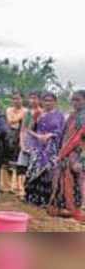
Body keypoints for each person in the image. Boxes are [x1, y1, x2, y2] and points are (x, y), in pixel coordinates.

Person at [48, 90, 85, 221]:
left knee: (78, 182)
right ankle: (66, 207)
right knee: (64, 180)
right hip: (66, 153)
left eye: (78, 100)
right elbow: (65, 135)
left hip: (79, 154)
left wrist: (65, 153)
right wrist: (61, 152)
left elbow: (77, 139)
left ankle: (77, 210)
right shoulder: (72, 116)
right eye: (73, 100)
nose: (75, 103)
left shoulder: (83, 117)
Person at [24, 93, 65, 207]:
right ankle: (32, 198)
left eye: (50, 100)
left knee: (49, 172)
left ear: (55, 102)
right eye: (45, 100)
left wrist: (51, 135)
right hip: (38, 147)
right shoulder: (38, 114)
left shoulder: (60, 116)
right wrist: (38, 136)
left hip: (51, 148)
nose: (48, 103)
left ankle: (46, 200)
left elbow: (62, 132)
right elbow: (29, 129)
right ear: (42, 102)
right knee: (35, 170)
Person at [16, 92, 43, 198]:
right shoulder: (27, 113)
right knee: (22, 166)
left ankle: (31, 191)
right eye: (31, 98)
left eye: (35, 98)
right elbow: (23, 130)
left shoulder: (43, 113)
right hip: (27, 141)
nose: (33, 100)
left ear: (40, 100)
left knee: (34, 167)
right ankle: (21, 189)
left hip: (38, 143)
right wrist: (22, 144)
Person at [1, 92, 28, 194]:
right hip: (8, 137)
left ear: (22, 99)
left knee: (18, 162)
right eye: (14, 99)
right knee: (5, 162)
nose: (16, 101)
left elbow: (20, 123)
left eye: (18, 98)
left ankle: (17, 186)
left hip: (20, 136)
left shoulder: (26, 111)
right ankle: (6, 186)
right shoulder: (8, 110)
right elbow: (10, 121)